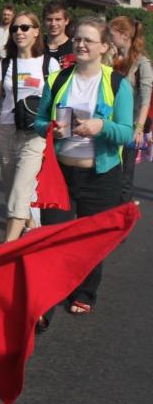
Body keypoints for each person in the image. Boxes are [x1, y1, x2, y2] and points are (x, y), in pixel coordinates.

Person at [35, 17, 132, 315]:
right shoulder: (58, 80)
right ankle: (46, 303)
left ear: (104, 47)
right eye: (78, 38)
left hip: (100, 176)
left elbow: (127, 133)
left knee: (90, 240)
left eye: (89, 40)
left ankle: (85, 292)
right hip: (60, 174)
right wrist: (51, 127)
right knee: (53, 239)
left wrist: (100, 125)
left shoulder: (117, 83)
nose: (81, 44)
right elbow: (38, 123)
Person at [0, 11, 59, 241]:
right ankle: (32, 229)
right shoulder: (7, 64)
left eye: (25, 27)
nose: (19, 32)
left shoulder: (49, 63)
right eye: (15, 28)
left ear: (36, 31)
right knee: (13, 189)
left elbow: (58, 100)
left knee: (20, 188)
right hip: (7, 130)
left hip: (35, 133)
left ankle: (6, 247)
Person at [109, 15, 153, 201]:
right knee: (109, 174)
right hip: (109, 123)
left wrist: (139, 128)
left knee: (125, 177)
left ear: (124, 34)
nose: (108, 38)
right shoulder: (110, 58)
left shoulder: (142, 63)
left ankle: (122, 217)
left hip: (129, 125)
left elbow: (146, 98)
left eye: (111, 34)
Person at [43, 0, 74, 66]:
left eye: (58, 19)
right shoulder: (37, 47)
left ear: (66, 21)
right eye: (49, 20)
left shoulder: (74, 48)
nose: (53, 24)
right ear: (44, 21)